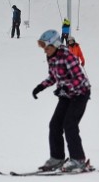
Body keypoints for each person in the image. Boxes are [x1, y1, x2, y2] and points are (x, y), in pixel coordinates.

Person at [32, 30, 92, 172]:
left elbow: (79, 79)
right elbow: (53, 77)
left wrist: (65, 87)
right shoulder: (51, 57)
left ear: (56, 44)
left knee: (69, 124)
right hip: (66, 94)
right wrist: (40, 87)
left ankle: (78, 160)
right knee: (55, 125)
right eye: (44, 48)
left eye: (47, 47)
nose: (45, 51)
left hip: (80, 94)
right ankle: (57, 158)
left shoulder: (68, 56)